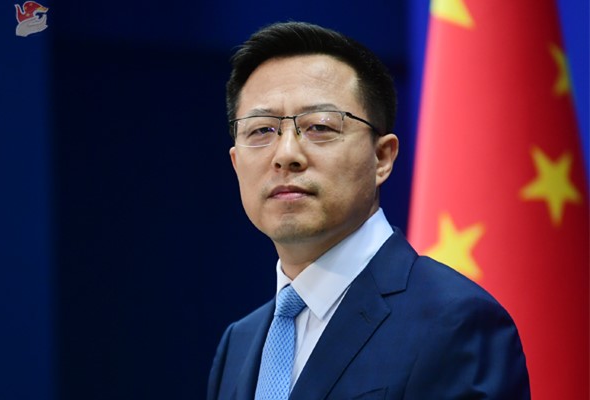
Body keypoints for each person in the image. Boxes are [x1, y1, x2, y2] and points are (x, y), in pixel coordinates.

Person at [207, 21, 530, 399]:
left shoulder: (456, 323)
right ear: (236, 163)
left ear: (382, 157)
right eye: (261, 130)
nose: (286, 154)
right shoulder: (239, 343)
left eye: (319, 127)